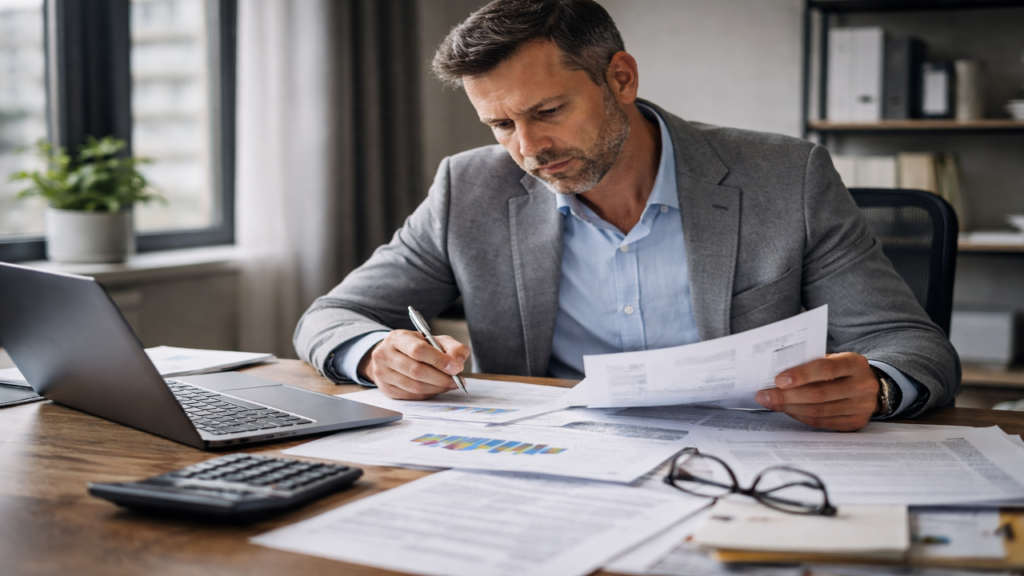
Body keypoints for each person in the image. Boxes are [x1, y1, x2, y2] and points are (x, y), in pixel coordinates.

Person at [294, 0, 959, 431]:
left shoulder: (787, 177)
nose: (528, 149)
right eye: (501, 124)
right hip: (556, 463)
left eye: (547, 112)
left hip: (747, 461)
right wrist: (376, 352)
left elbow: (917, 349)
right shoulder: (467, 188)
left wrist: (876, 385)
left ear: (620, 78)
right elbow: (328, 318)